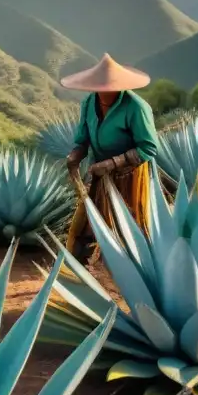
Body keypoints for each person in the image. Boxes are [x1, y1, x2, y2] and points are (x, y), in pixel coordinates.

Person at [62, 54, 160, 264]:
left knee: (129, 225)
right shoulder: (89, 103)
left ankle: (130, 270)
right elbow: (83, 139)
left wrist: (113, 163)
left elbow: (148, 148)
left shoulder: (136, 107)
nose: (104, 92)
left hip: (130, 177)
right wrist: (75, 156)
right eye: (99, 87)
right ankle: (78, 270)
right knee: (87, 224)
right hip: (99, 175)